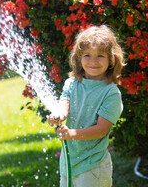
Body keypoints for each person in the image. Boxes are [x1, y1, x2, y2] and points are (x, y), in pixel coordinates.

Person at [48, 25, 125, 187]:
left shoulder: (110, 93)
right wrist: (57, 116)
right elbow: (64, 106)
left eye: (100, 56)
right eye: (87, 55)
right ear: (79, 57)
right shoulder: (71, 84)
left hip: (93, 166)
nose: (93, 61)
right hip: (68, 164)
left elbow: (101, 130)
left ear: (112, 58)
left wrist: (72, 134)